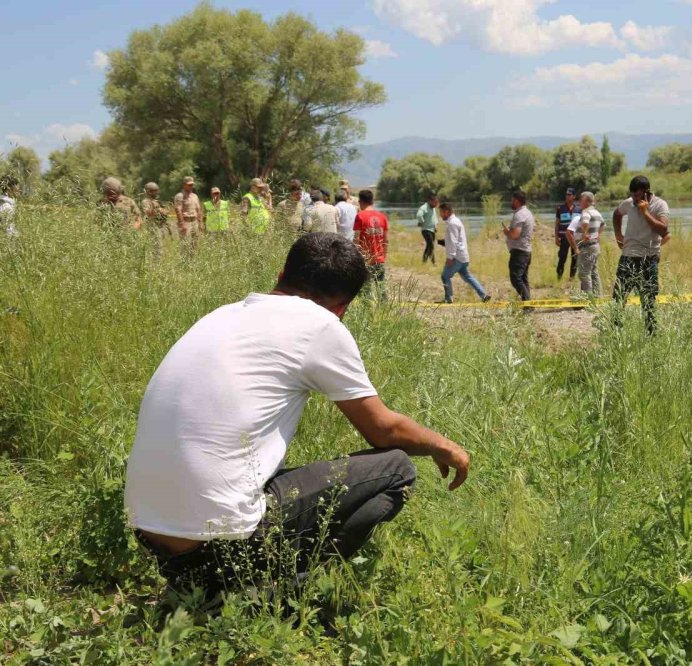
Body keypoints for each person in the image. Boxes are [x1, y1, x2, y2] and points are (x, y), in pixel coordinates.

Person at [124, 233, 469, 597]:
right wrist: (443, 446)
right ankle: (285, 593)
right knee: (396, 469)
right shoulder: (320, 325)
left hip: (149, 535)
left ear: (280, 276)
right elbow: (383, 431)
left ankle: (205, 585)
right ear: (342, 308)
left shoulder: (221, 315)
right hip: (217, 545)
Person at [612, 176, 669, 335]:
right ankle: (616, 334)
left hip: (649, 258)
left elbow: (663, 230)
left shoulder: (660, 205)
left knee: (648, 301)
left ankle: (651, 335)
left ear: (646, 192)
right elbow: (617, 214)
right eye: (632, 195)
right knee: (618, 297)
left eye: (637, 196)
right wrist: (618, 235)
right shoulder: (629, 203)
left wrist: (645, 212)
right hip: (628, 257)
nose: (634, 199)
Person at [439, 202, 489, 304]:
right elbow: (455, 240)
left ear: (447, 211)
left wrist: (450, 257)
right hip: (463, 256)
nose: (440, 215)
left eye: (441, 212)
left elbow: (453, 242)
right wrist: (443, 242)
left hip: (456, 257)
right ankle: (483, 295)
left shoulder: (452, 223)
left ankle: (449, 298)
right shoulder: (456, 221)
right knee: (468, 277)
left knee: (445, 276)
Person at [566, 191, 603, 296]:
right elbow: (603, 224)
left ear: (586, 201)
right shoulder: (597, 212)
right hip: (594, 246)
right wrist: (597, 235)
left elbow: (585, 222)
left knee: (584, 273)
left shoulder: (586, 212)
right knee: (594, 272)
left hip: (586, 246)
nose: (579, 203)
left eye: (580, 200)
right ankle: (597, 296)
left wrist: (585, 234)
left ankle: (588, 298)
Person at [353, 189, 389, 295]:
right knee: (381, 290)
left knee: (365, 292)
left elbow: (356, 239)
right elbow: (386, 240)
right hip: (380, 259)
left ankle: (368, 311)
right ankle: (384, 310)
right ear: (372, 201)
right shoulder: (383, 217)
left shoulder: (360, 216)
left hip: (365, 260)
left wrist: (356, 258)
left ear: (360, 202)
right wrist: (383, 257)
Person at [501, 191, 535, 301]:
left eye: (512, 200)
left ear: (516, 201)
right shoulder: (527, 212)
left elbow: (515, 235)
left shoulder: (520, 214)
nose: (511, 202)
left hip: (519, 251)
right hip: (525, 251)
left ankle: (527, 302)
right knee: (523, 278)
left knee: (515, 278)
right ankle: (527, 304)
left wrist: (506, 232)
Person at [555, 188, 581, 280]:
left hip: (575, 238)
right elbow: (557, 224)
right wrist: (556, 237)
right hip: (564, 237)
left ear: (574, 196)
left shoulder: (579, 209)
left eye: (569, 195)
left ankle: (571, 279)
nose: (567, 196)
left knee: (575, 258)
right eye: (566, 194)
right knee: (562, 258)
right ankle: (559, 278)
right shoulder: (560, 208)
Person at [416, 193, 440, 265]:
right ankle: (433, 262)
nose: (436, 204)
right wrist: (422, 222)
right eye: (435, 202)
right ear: (430, 201)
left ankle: (424, 262)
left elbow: (434, 217)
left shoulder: (433, 208)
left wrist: (435, 226)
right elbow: (419, 215)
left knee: (429, 246)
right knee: (431, 246)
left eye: (437, 202)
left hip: (432, 229)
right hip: (426, 230)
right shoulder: (424, 207)